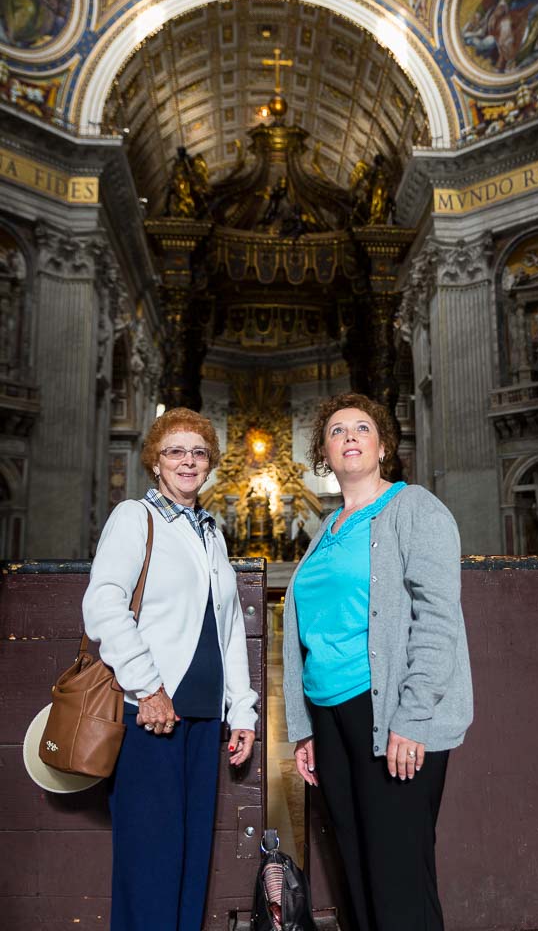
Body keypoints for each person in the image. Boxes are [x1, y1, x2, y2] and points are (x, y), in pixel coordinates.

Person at [282, 393, 473, 931]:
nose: (349, 437)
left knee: (398, 880)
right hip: (330, 719)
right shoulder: (326, 530)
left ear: (383, 445)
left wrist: (411, 717)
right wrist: (305, 730)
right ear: (323, 451)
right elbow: (310, 633)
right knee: (359, 875)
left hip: (389, 712)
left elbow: (439, 620)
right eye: (337, 430)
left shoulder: (413, 508)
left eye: (362, 428)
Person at [82, 407, 257, 931]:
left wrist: (242, 711)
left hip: (204, 722)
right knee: (150, 868)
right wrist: (149, 687)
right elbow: (104, 605)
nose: (188, 460)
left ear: (210, 465)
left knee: (188, 870)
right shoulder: (135, 517)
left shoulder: (211, 532)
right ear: (155, 463)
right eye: (175, 451)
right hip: (149, 717)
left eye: (199, 452)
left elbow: (226, 630)